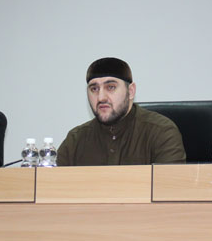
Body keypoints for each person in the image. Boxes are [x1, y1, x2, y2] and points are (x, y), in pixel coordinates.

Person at [57, 57, 186, 166]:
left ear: (131, 91)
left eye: (111, 87)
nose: (101, 98)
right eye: (94, 89)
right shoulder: (75, 141)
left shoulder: (161, 132)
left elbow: (170, 187)